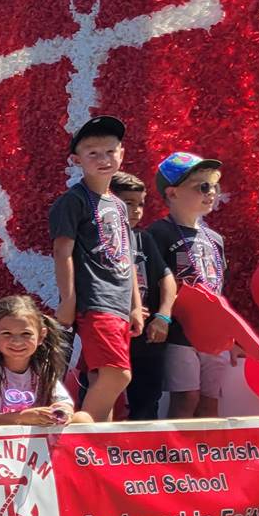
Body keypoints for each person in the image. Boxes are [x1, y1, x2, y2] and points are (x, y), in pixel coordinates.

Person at [49, 115, 146, 422]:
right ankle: (80, 438)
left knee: (104, 378)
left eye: (110, 151)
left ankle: (95, 451)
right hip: (95, 302)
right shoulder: (72, 201)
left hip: (119, 305)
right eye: (93, 153)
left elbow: (128, 257)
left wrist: (135, 306)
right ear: (76, 160)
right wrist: (68, 299)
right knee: (118, 376)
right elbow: (61, 250)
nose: (103, 159)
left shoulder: (118, 204)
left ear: (122, 154)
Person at [147, 152, 229, 419]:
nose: (211, 192)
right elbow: (152, 282)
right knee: (186, 398)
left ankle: (210, 459)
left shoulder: (215, 238)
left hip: (213, 334)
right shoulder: (157, 233)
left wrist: (233, 333)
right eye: (202, 186)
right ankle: (176, 458)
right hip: (179, 333)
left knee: (210, 401)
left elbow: (219, 289)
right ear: (172, 193)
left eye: (214, 186)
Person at [0, 295, 85, 426]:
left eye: (26, 334)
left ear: (41, 336)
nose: (17, 342)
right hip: (2, 440)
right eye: (6, 333)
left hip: (39, 436)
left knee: (83, 418)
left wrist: (61, 411)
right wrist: (21, 418)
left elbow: (62, 401)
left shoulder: (42, 368)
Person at [112, 170, 170, 421]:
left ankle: (145, 456)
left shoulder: (144, 239)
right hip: (112, 332)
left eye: (140, 204)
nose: (136, 211)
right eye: (128, 203)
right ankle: (100, 455)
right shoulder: (99, 239)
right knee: (104, 395)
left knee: (146, 401)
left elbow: (167, 279)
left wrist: (163, 316)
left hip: (147, 337)